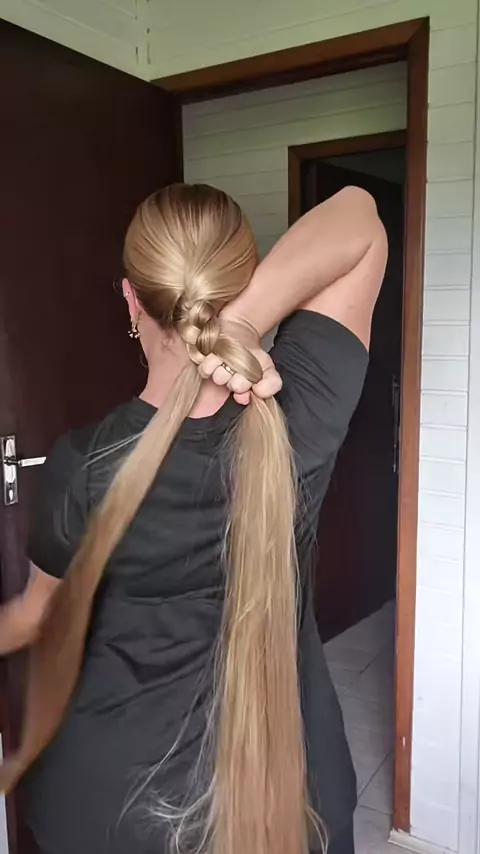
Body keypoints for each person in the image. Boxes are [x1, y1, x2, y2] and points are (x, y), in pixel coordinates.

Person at [0, 183, 387, 854]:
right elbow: (359, 215)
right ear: (248, 277)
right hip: (290, 800)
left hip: (113, 806)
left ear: (131, 300)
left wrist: (234, 328)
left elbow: (36, 618)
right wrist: (245, 321)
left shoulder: (84, 463)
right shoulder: (300, 413)